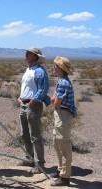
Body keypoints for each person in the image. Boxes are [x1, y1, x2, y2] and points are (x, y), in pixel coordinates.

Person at [17, 47, 51, 174]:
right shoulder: (28, 69)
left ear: (35, 56)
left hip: (33, 106)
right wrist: (21, 97)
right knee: (24, 134)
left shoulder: (40, 71)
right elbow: (27, 86)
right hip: (24, 104)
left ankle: (40, 164)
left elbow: (43, 88)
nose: (26, 54)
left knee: (35, 136)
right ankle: (29, 158)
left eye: (29, 53)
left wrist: (33, 100)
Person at [50, 56, 77, 186]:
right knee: (57, 142)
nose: (53, 67)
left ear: (60, 68)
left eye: (55, 65)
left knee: (64, 144)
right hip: (61, 114)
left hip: (64, 115)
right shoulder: (61, 80)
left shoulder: (63, 83)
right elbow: (54, 99)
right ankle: (60, 170)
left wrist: (54, 101)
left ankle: (65, 177)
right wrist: (54, 100)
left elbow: (56, 102)